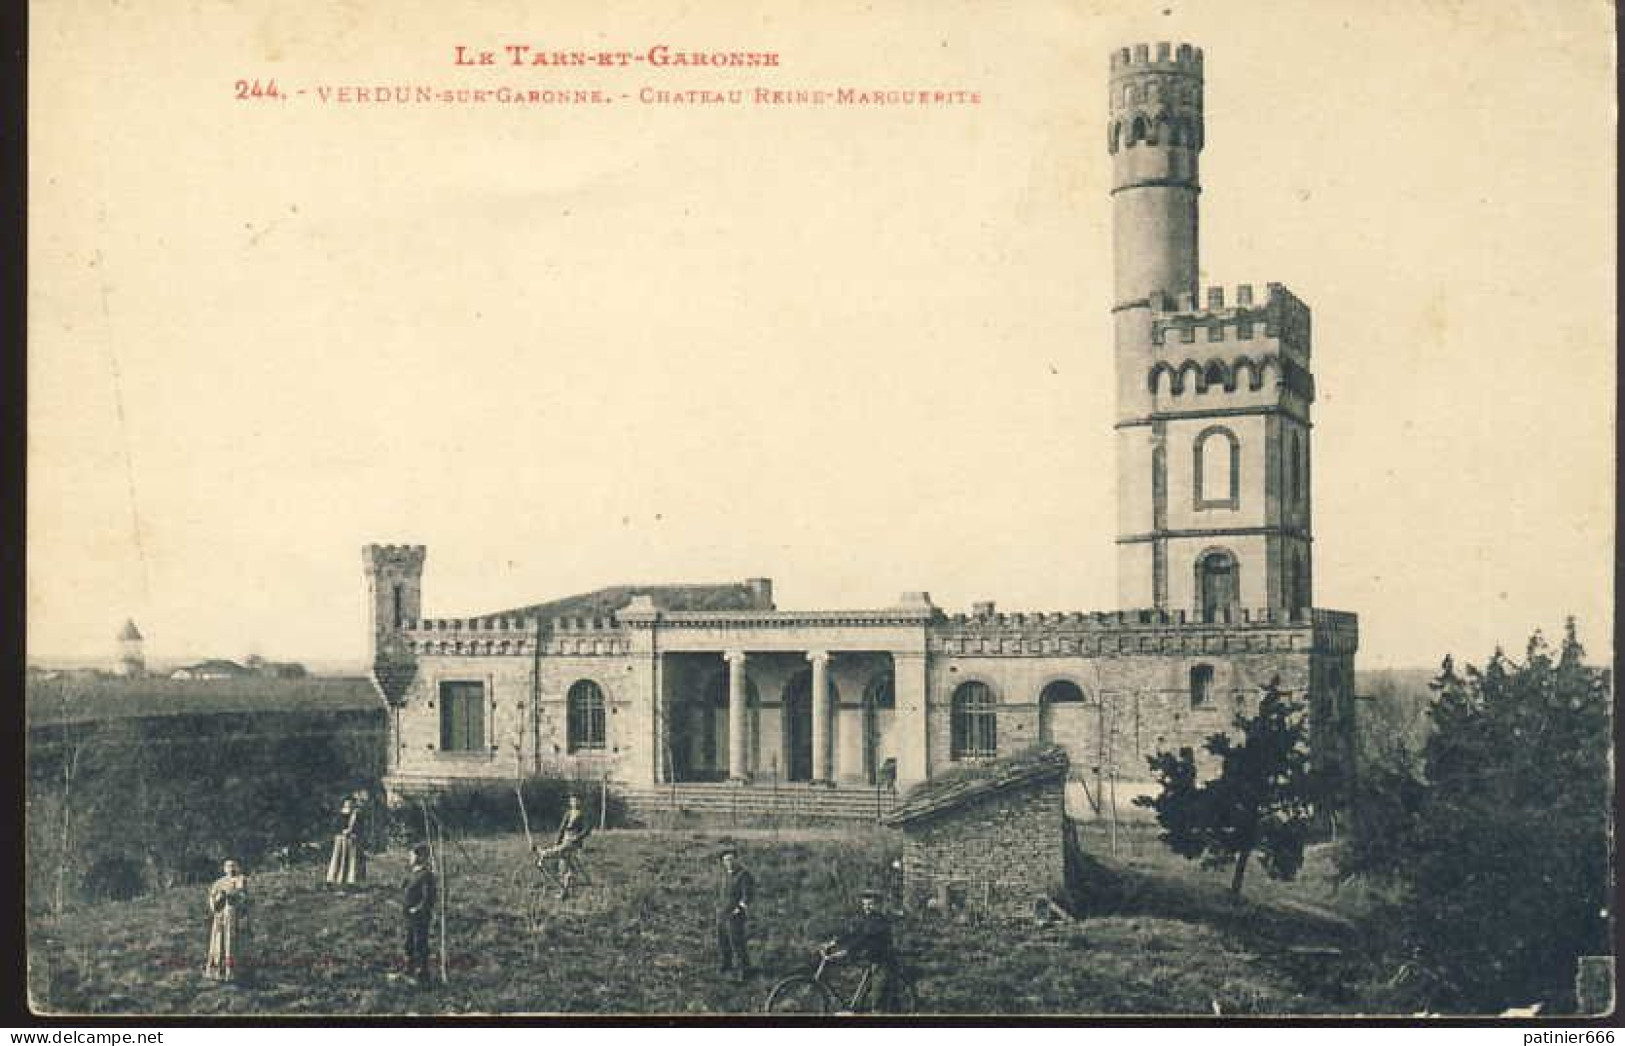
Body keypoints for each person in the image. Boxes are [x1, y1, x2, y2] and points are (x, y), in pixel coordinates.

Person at [829, 889, 900, 1013]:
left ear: (878, 905)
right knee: (861, 997)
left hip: (883, 962)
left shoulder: (879, 921)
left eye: (871, 904)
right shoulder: (867, 919)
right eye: (865, 904)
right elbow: (854, 933)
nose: (867, 907)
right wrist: (835, 943)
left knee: (878, 1001)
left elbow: (863, 940)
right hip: (871, 960)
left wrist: (846, 952)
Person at [532, 794, 590, 898]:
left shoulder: (583, 814)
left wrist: (577, 837)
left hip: (573, 841)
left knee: (558, 854)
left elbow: (587, 829)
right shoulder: (568, 813)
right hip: (564, 839)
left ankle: (543, 852)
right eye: (572, 801)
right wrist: (557, 842)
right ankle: (564, 892)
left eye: (576, 801)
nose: (574, 803)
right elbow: (562, 828)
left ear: (580, 802)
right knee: (564, 867)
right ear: (570, 802)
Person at [203, 859, 250, 983]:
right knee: (218, 942)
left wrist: (231, 896)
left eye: (234, 866)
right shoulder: (218, 882)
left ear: (238, 867)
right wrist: (218, 899)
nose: (231, 868)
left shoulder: (241, 880)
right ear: (224, 868)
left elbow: (243, 897)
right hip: (220, 916)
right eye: (228, 866)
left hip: (233, 915)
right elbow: (212, 900)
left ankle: (232, 971)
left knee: (231, 942)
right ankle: (216, 970)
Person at [715, 847, 755, 981]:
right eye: (726, 860)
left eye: (731, 859)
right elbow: (721, 894)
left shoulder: (744, 875)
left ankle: (745, 970)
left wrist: (739, 909)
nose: (729, 862)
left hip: (735, 915)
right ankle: (726, 965)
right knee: (723, 941)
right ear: (723, 862)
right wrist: (719, 908)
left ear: (737, 860)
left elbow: (748, 896)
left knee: (737, 943)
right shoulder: (725, 875)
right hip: (722, 914)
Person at [402, 842, 437, 985]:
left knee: (420, 944)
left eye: (413, 855)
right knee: (409, 943)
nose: (410, 858)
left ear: (421, 857)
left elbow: (428, 897)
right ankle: (409, 969)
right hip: (410, 917)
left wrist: (418, 909)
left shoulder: (426, 875)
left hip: (420, 917)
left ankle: (422, 974)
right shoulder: (413, 873)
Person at [325, 795, 367, 889]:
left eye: (351, 803)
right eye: (347, 803)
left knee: (352, 860)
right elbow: (335, 826)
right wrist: (342, 831)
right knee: (338, 859)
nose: (349, 804)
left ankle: (351, 881)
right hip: (340, 839)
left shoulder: (357, 814)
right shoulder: (340, 814)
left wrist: (352, 831)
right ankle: (332, 879)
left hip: (352, 839)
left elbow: (360, 828)